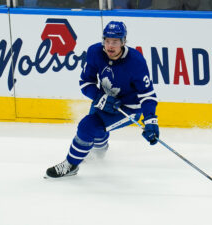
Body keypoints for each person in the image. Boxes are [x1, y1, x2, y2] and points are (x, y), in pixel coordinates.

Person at [45, 21, 159, 178]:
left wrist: (150, 120)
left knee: (87, 126)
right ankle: (98, 156)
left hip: (128, 109)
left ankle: (71, 165)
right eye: (107, 41)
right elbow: (86, 82)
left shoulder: (136, 61)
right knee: (96, 132)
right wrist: (100, 97)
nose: (110, 46)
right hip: (103, 100)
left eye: (115, 42)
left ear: (123, 42)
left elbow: (147, 95)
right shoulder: (95, 52)